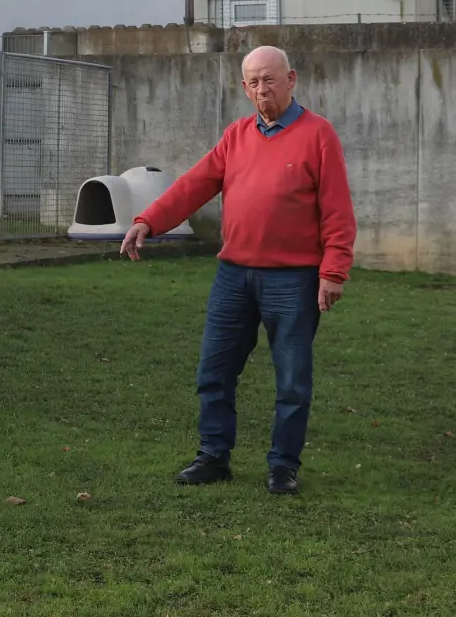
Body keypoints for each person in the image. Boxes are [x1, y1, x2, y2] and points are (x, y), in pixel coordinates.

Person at [119, 45, 356, 495]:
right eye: (254, 82)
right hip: (234, 277)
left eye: (271, 79)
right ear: (244, 88)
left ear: (291, 80)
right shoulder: (237, 135)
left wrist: (333, 271)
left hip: (294, 279)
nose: (263, 89)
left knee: (292, 380)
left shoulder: (319, 135)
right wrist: (148, 220)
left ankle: (283, 467)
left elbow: (337, 210)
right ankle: (213, 456)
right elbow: (195, 184)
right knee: (214, 370)